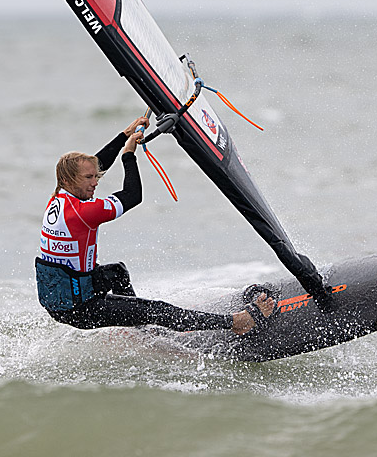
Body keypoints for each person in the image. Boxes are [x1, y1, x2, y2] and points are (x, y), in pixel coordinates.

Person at [36, 116, 275, 335]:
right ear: (68, 180)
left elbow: (96, 165)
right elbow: (132, 195)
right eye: (89, 178)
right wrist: (128, 156)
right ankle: (237, 323)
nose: (96, 181)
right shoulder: (83, 212)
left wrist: (123, 136)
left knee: (116, 272)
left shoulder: (60, 198)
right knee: (157, 309)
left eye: (95, 176)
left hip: (66, 295)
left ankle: (136, 331)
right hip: (80, 308)